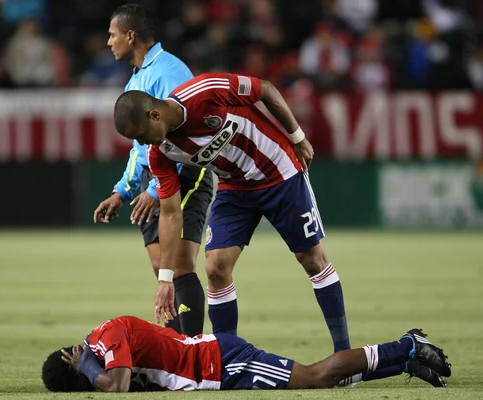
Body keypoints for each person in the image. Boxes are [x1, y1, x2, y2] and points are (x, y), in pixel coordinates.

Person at [112, 72, 352, 354]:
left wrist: (297, 137)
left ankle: (344, 355)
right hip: (234, 188)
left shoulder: (204, 91)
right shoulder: (160, 153)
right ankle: (227, 358)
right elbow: (170, 214)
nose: (141, 144)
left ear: (154, 116)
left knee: (312, 259)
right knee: (215, 268)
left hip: (279, 172)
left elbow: (267, 89)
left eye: (139, 135)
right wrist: (165, 279)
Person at [93, 4, 213, 337]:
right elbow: (141, 147)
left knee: (182, 265)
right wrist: (123, 190)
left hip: (185, 172)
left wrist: (154, 190)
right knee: (163, 268)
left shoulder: (168, 72)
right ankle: (177, 352)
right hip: (155, 176)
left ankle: (192, 350)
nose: (108, 42)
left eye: (112, 34)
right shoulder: (138, 77)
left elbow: (184, 135)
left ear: (130, 36)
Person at [41, 315, 451, 392]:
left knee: (316, 375)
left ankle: (406, 345)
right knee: (318, 383)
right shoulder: (106, 342)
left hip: (220, 362)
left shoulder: (105, 341)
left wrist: (87, 367)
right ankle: (403, 364)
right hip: (215, 363)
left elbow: (117, 386)